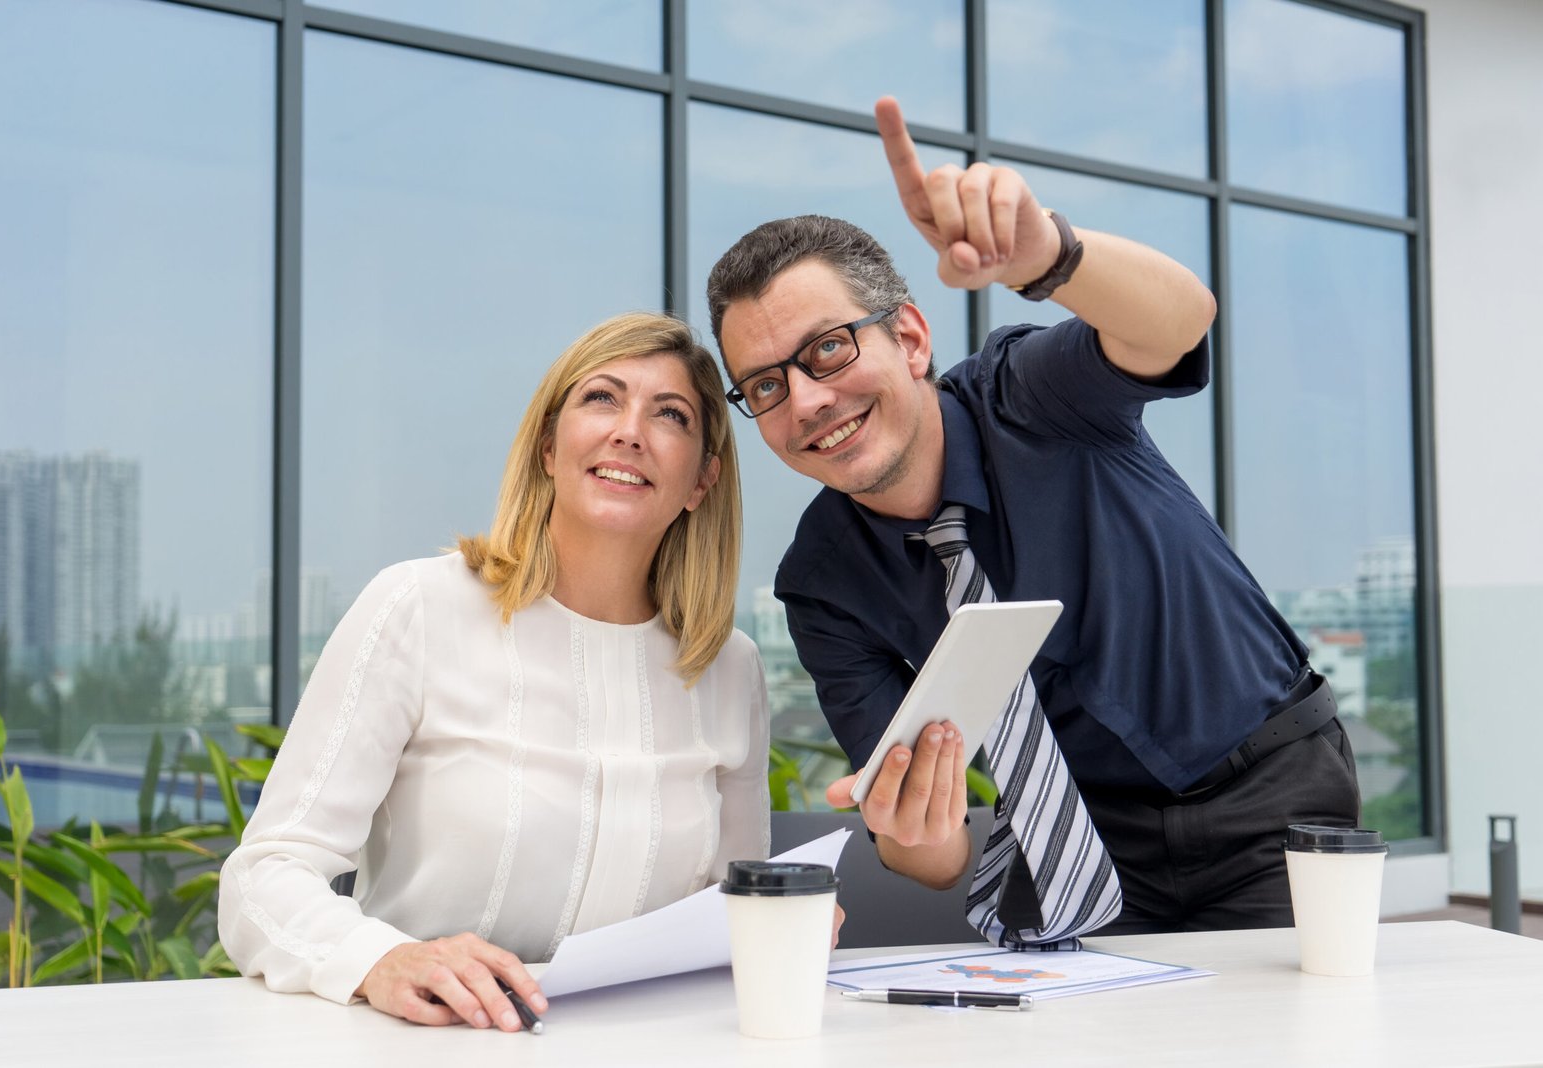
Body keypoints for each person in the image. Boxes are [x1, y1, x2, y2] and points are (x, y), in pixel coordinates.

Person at [705, 98, 1360, 935]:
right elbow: (927, 862)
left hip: (1269, 794)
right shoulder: (822, 584)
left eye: (828, 348)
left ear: (909, 338)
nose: (806, 400)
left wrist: (1049, 254)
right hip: (1082, 841)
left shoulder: (1028, 394)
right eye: (765, 385)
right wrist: (915, 827)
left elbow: (1180, 320)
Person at [220, 312, 781, 1031]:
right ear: (549, 446)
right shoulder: (417, 609)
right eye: (602, 398)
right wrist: (380, 960)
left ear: (702, 480)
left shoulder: (728, 667)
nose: (629, 431)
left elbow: (729, 914)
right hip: (431, 1042)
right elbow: (262, 878)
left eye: (669, 415)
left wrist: (775, 922)